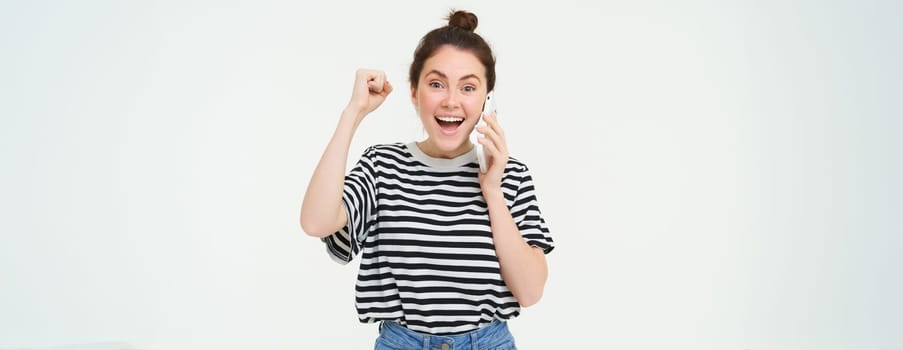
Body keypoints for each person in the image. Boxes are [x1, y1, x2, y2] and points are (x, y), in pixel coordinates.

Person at [300, 9, 555, 350]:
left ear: (488, 99)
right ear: (414, 92)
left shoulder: (511, 175)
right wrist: (353, 113)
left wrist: (492, 190)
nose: (451, 101)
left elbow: (530, 291)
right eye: (436, 84)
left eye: (468, 87)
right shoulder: (382, 165)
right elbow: (316, 222)